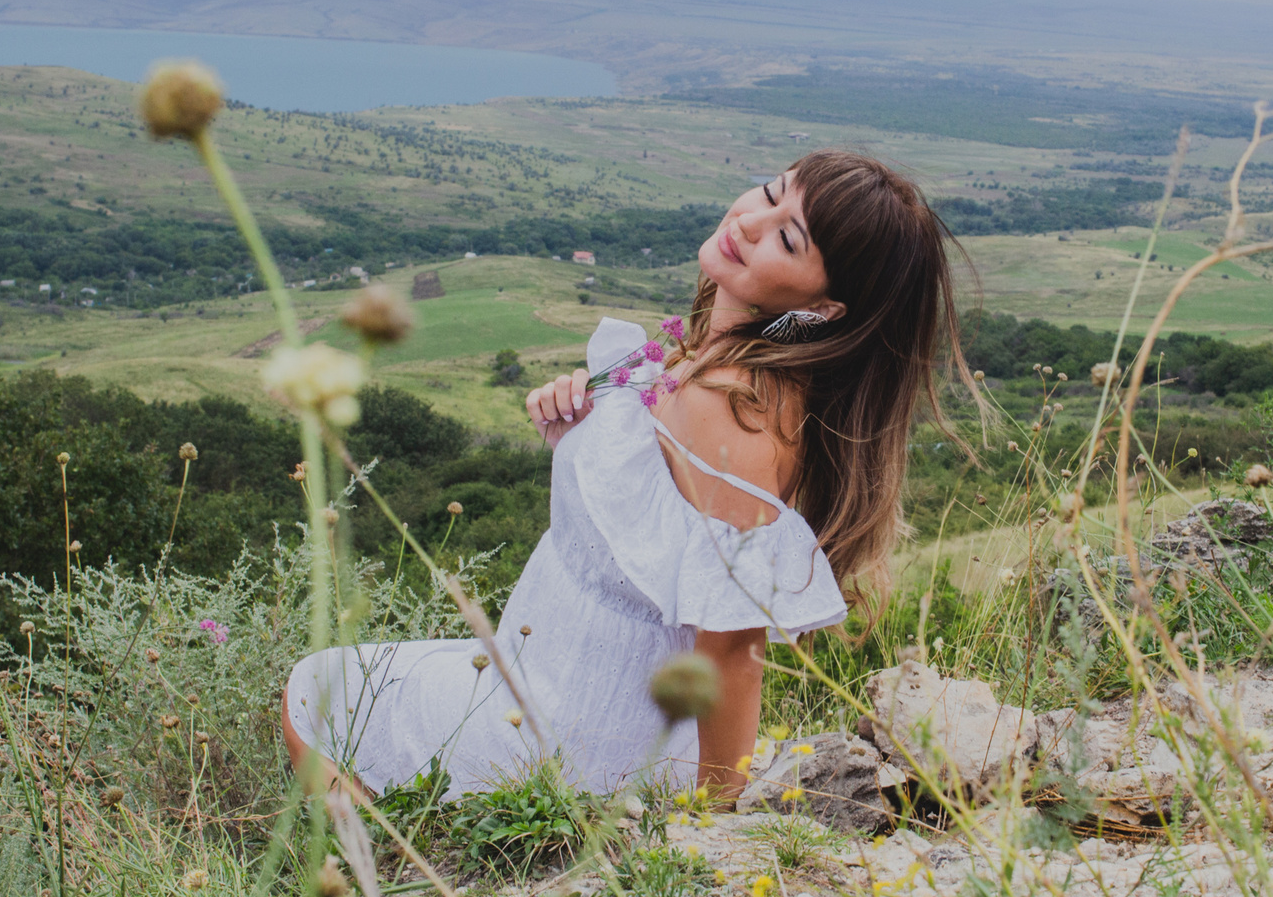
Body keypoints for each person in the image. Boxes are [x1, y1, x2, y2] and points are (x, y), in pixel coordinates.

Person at [281, 149, 967, 800]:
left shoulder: (736, 414)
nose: (749, 223)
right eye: (767, 192)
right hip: (559, 685)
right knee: (349, 690)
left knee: (316, 695)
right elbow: (641, 523)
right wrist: (583, 427)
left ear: (820, 309)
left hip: (581, 731)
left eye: (786, 239)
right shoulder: (711, 367)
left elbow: (732, 646)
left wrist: (718, 817)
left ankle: (400, 887)